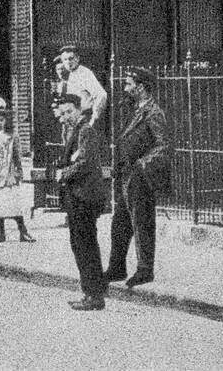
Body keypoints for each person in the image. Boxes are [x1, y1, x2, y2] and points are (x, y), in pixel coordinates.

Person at [105, 67, 172, 289]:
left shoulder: (154, 112)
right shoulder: (136, 110)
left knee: (142, 224)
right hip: (126, 176)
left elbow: (164, 146)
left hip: (140, 178)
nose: (125, 88)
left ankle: (145, 270)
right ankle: (117, 268)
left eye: (128, 84)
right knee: (120, 224)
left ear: (141, 87)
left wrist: (142, 165)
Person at [54, 93, 109, 310]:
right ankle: (92, 292)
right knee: (81, 245)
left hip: (85, 197)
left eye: (70, 111)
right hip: (78, 196)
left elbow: (85, 162)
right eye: (63, 112)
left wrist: (63, 174)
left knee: (85, 246)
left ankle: (94, 295)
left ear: (79, 109)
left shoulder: (85, 130)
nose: (66, 116)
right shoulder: (73, 130)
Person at [0, 102, 34, 243]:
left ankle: (22, 231)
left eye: (1, 119)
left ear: (5, 121)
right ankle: (1, 232)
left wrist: (20, 171)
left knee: (13, 203)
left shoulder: (11, 137)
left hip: (9, 172)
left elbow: (17, 156)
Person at [56, 45, 107, 121]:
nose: (68, 62)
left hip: (84, 117)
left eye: (71, 58)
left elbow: (101, 95)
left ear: (77, 58)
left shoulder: (85, 73)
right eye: (65, 59)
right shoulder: (67, 74)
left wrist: (94, 118)